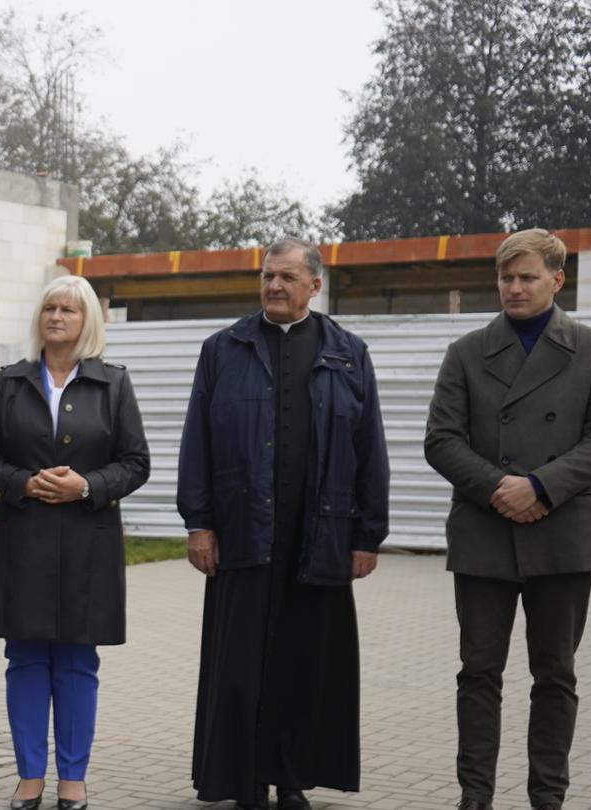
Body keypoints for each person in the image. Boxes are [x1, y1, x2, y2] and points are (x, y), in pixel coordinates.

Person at [176, 238, 390, 810]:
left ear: (314, 286)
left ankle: (292, 777)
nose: (274, 286)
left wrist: (368, 535)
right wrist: (199, 523)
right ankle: (243, 778)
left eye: (287, 277)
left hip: (319, 535)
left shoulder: (349, 353)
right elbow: (197, 440)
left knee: (304, 663)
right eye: (268, 276)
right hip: (243, 531)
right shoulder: (224, 349)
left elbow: (370, 447)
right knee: (242, 662)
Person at [424, 229, 591, 810]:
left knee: (555, 675)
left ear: (558, 280)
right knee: (479, 672)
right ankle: (475, 798)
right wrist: (500, 488)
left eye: (527, 277)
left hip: (562, 532)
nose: (513, 288)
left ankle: (548, 798)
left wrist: (541, 485)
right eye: (506, 278)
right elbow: (440, 439)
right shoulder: (466, 351)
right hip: (485, 532)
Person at [0, 276, 150, 810]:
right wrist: (23, 481)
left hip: (87, 546)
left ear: (86, 319)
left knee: (76, 663)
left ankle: (73, 778)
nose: (56, 316)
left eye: (68, 309)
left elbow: (136, 463)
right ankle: (29, 776)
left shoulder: (112, 383)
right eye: (49, 307)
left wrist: (87, 486)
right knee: (24, 659)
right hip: (21, 542)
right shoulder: (11, 382)